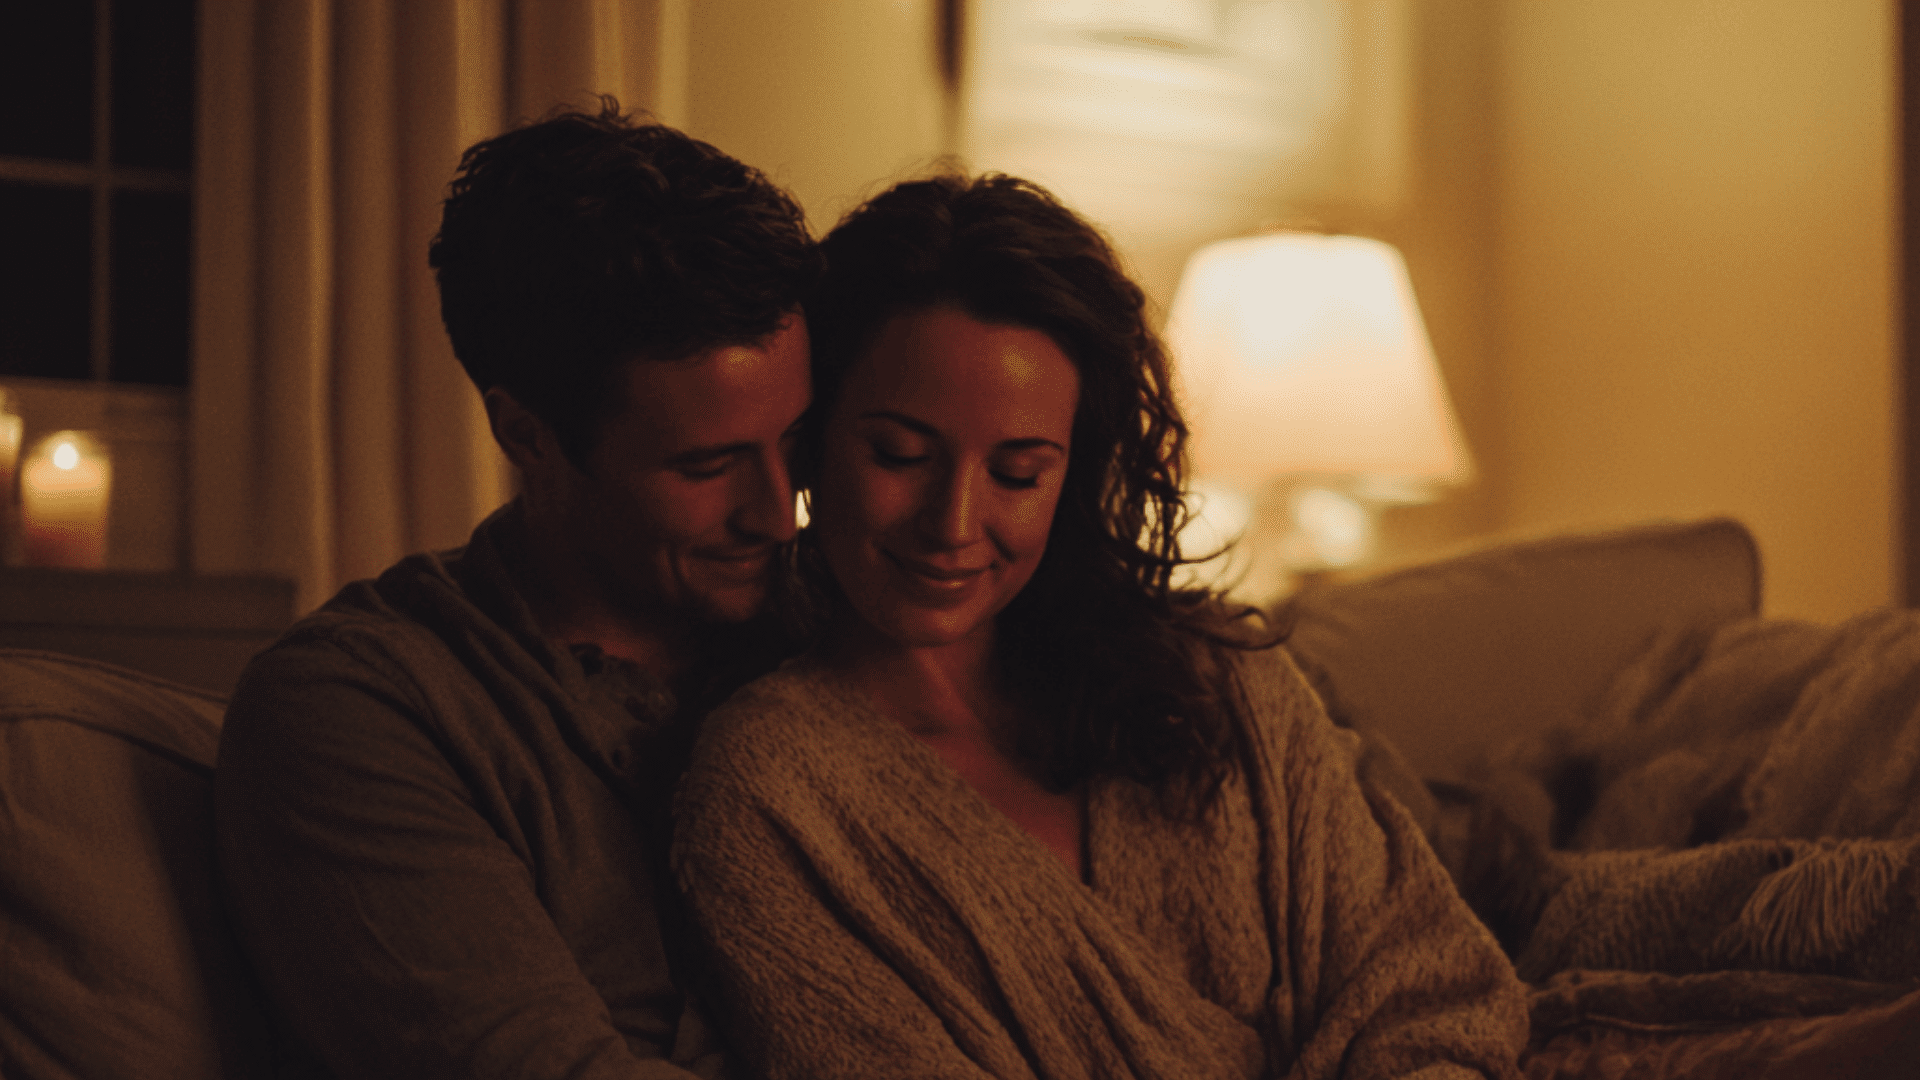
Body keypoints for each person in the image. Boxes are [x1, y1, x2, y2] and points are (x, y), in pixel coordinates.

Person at [671, 174, 1530, 1079]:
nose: (954, 523)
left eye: (1018, 472)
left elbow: (1430, 986)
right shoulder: (763, 792)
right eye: (901, 455)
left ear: (1071, 476)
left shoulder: (1220, 679)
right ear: (814, 440)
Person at [215, 101, 819, 1079]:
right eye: (707, 466)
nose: (776, 512)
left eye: (795, 443)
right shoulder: (365, 708)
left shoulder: (833, 630)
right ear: (526, 435)